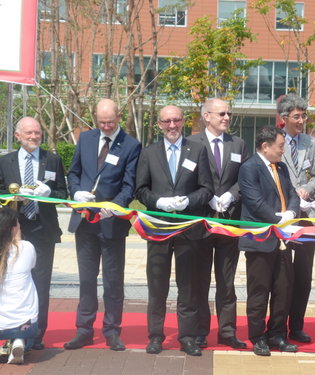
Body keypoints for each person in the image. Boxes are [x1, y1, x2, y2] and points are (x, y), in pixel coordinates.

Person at [135, 105, 213, 356]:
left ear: (183, 122)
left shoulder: (198, 150)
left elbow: (206, 188)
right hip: (158, 228)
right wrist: (158, 202)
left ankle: (187, 336)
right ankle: (156, 336)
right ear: (159, 124)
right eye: (166, 121)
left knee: (188, 286)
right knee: (157, 285)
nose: (172, 126)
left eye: (176, 120)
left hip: (188, 229)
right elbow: (140, 189)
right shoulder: (149, 153)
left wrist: (189, 201)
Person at [65, 98, 141, 351]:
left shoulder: (131, 145)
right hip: (85, 220)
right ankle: (84, 329)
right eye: (102, 122)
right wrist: (76, 192)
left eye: (110, 122)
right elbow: (74, 172)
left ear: (119, 116)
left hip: (111, 223)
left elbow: (130, 184)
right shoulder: (86, 139)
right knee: (86, 279)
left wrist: (116, 206)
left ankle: (112, 330)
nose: (106, 127)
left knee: (113, 280)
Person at [0, 116, 67, 350]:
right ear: (17, 135)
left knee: (41, 282)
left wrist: (49, 192)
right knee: (7, 281)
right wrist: (10, 199)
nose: (34, 137)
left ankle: (36, 333)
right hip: (11, 231)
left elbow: (63, 194)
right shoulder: (4, 162)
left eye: (37, 133)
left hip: (42, 229)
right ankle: (8, 329)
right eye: (29, 133)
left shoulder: (52, 160)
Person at [187, 98, 249, 349]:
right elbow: (187, 179)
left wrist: (230, 195)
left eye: (229, 113)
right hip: (201, 222)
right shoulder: (191, 143)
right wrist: (208, 197)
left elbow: (245, 177)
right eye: (221, 113)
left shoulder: (239, 144)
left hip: (229, 222)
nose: (226, 117)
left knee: (227, 281)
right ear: (206, 116)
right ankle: (201, 330)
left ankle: (227, 331)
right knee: (200, 280)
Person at [238, 126, 300, 356]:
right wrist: (277, 219)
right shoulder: (249, 168)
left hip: (283, 239)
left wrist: (291, 214)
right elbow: (254, 202)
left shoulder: (281, 167)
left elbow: (292, 193)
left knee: (283, 288)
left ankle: (277, 334)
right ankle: (258, 336)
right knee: (259, 291)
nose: (283, 151)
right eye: (281, 146)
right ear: (266, 146)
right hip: (260, 239)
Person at [277, 94, 315, 343]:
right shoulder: (275, 141)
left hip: (307, 217)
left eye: (304, 116)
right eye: (296, 116)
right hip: (284, 216)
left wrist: (308, 189)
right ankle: (278, 325)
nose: (301, 120)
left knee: (303, 273)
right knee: (282, 274)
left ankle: (298, 326)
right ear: (285, 119)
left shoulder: (311, 143)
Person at [0, 207, 39, 364]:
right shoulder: (27, 248)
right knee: (25, 329)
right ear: (14, 228)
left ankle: (14, 342)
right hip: (24, 322)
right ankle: (19, 341)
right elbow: (32, 265)